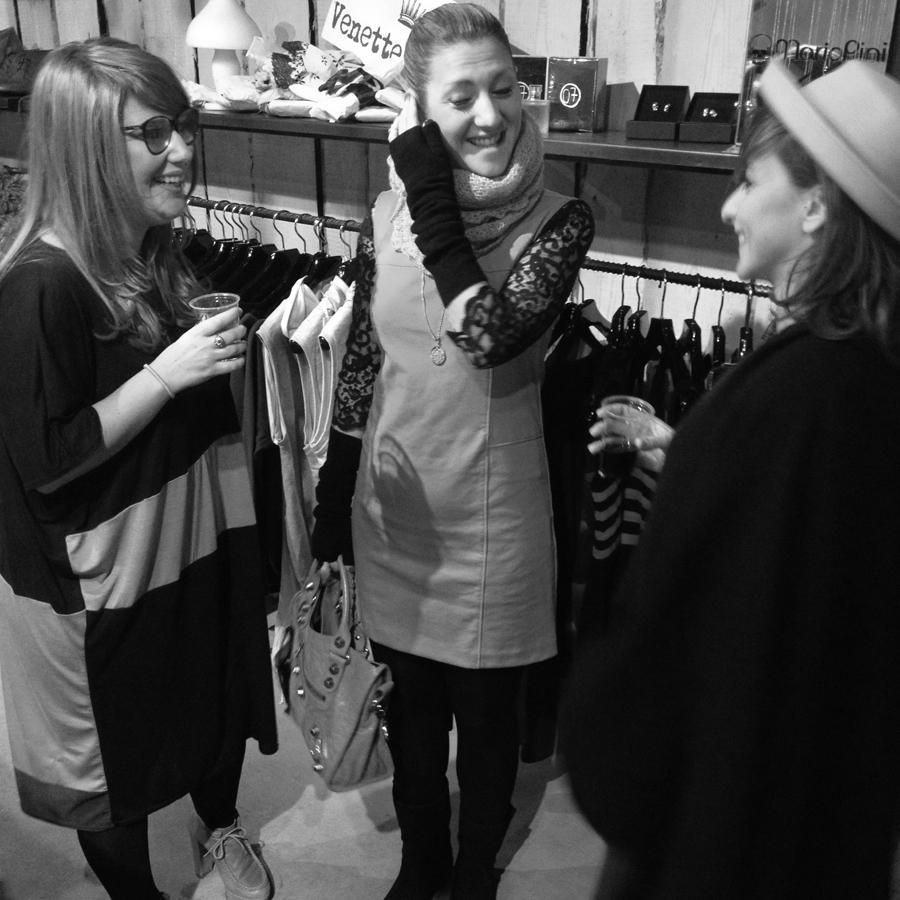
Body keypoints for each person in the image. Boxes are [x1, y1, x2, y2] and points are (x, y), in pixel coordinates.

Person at [560, 57, 900, 900]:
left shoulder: (791, 393)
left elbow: (697, 634)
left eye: (751, 182)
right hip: (820, 820)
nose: (728, 207)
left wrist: (600, 709)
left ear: (816, 207)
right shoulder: (861, 373)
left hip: (722, 832)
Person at [309, 5, 594, 898]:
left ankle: (474, 869)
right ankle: (422, 855)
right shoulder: (385, 213)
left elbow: (491, 335)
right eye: (462, 96)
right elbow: (363, 358)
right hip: (396, 515)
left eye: (504, 89)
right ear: (420, 111)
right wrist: (334, 490)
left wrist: (430, 199)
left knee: (487, 717)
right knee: (414, 712)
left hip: (493, 518)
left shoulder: (560, 221)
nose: (491, 114)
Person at [0, 38, 277, 900]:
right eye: (152, 133)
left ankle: (218, 825)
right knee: (112, 755)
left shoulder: (152, 252)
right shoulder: (41, 285)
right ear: (87, 145)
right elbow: (48, 458)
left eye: (181, 125)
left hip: (189, 535)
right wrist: (166, 375)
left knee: (213, 690)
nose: (182, 149)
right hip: (101, 579)